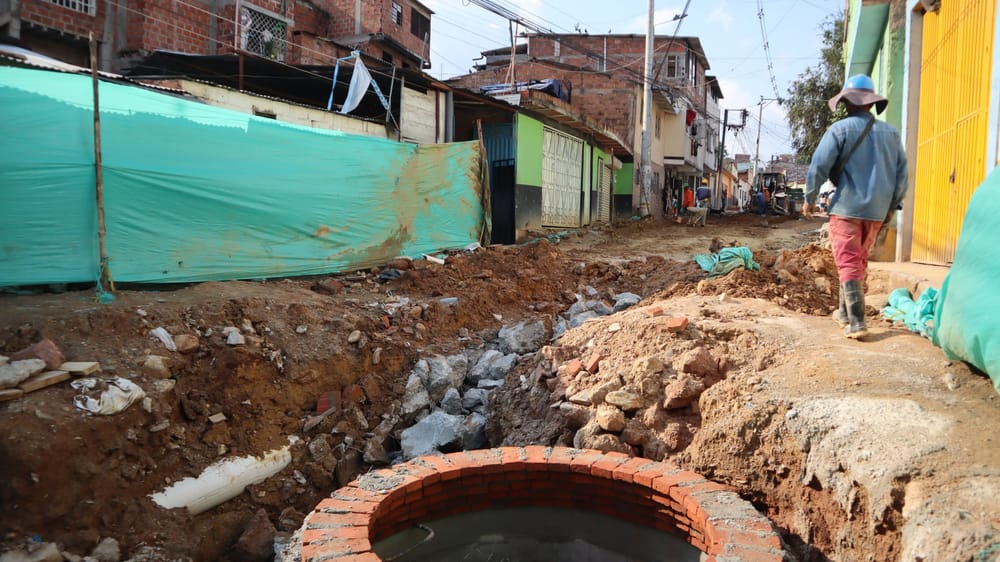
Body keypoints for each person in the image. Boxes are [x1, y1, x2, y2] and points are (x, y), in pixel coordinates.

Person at [803, 74, 908, 339]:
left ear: (847, 103)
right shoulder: (892, 134)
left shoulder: (839, 130)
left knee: (847, 261)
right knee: (856, 261)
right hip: (877, 212)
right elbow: (902, 176)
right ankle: (845, 314)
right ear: (871, 103)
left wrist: (809, 198)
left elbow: (819, 166)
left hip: (847, 209)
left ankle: (858, 322)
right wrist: (891, 208)